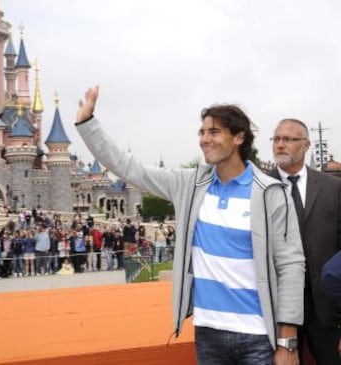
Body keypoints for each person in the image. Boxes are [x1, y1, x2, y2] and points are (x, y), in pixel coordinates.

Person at [75, 85, 305, 365]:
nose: (204, 139)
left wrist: (287, 342)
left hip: (258, 337)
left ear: (239, 138)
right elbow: (130, 168)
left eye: (214, 132)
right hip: (208, 332)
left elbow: (291, 265)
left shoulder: (271, 192)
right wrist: (88, 124)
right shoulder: (190, 184)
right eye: (202, 132)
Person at [270, 118, 341, 365]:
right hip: (278, 307)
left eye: (288, 139)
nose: (280, 145)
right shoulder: (259, 188)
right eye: (276, 139)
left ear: (306, 144)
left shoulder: (334, 188)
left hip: (326, 306)